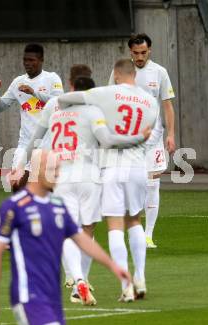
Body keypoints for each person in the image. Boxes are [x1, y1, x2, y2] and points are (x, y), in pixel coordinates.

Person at [18, 71, 150, 305]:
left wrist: (20, 166)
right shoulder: (94, 111)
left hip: (62, 178)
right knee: (88, 231)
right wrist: (137, 139)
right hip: (90, 177)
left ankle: (78, 281)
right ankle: (86, 281)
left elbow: (34, 140)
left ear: (71, 86)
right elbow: (107, 140)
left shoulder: (53, 108)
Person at [0, 149, 131, 324]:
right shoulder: (13, 207)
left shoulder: (57, 206)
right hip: (28, 295)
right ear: (38, 170)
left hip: (53, 298)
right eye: (54, 169)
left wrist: (112, 265)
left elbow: (81, 239)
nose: (59, 174)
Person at [58, 59, 159, 302]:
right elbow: (151, 135)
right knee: (134, 220)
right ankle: (140, 277)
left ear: (115, 74)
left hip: (111, 166)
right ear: (134, 74)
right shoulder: (150, 101)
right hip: (137, 167)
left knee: (114, 225)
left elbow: (68, 100)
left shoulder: (107, 93)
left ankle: (125, 285)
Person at [109, 33, 176, 248]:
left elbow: (167, 105)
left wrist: (171, 134)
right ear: (130, 52)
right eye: (136, 53)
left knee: (152, 184)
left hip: (153, 138)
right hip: (128, 137)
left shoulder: (159, 72)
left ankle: (148, 235)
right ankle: (131, 231)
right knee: (128, 184)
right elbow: (110, 101)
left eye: (143, 52)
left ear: (150, 50)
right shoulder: (120, 71)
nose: (140, 57)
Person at [0, 43, 64, 192]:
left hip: (47, 145)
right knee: (17, 186)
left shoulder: (52, 78)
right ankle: (22, 214)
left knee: (49, 190)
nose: (27, 63)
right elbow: (0, 107)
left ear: (41, 60)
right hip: (25, 144)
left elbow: (58, 102)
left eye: (31, 60)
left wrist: (34, 93)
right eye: (25, 60)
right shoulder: (18, 82)